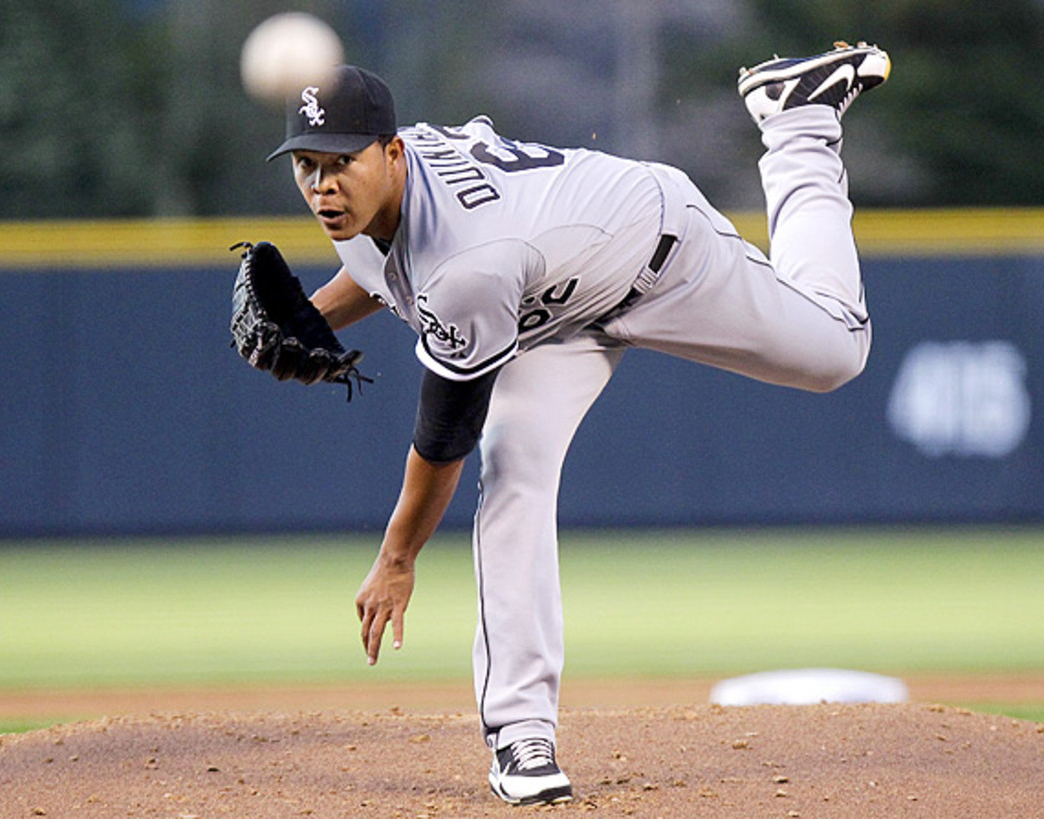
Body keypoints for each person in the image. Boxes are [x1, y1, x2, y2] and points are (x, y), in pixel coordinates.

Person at [262, 40, 890, 805]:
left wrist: (398, 556)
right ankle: (520, 734)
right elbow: (381, 267)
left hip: (659, 254)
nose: (323, 186)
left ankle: (797, 124)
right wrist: (309, 314)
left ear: (393, 153)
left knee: (836, 352)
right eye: (307, 166)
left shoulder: (469, 261)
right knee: (516, 465)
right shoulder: (368, 196)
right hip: (548, 311)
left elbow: (442, 435)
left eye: (340, 163)